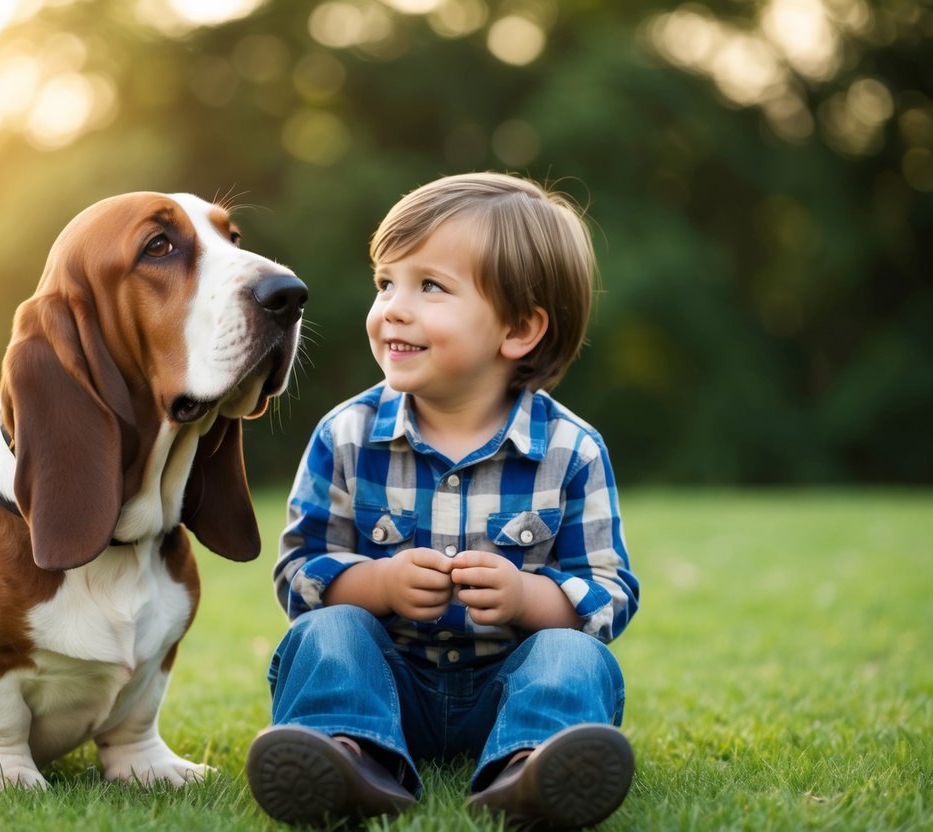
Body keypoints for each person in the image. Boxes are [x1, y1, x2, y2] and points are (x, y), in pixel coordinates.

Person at [245, 172, 640, 829]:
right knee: (327, 633)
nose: (393, 308)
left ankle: (531, 765)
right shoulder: (345, 436)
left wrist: (524, 598)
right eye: (385, 282)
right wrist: (376, 584)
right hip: (385, 684)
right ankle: (348, 753)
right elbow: (297, 575)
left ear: (517, 329)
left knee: (575, 658)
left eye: (429, 286)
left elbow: (606, 591)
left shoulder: (571, 450)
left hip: (506, 688)